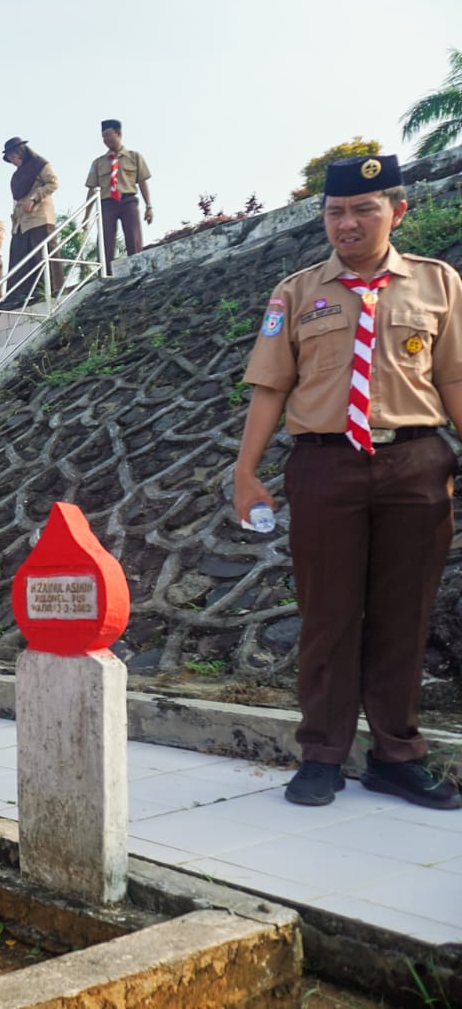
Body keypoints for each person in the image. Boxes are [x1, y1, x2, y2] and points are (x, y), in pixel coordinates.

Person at [233, 155, 462, 812]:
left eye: (364, 208)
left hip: (416, 462)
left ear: (398, 210)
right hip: (325, 466)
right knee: (328, 615)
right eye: (336, 211)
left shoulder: (437, 282)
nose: (348, 222)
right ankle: (322, 754)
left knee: (403, 616)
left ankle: (397, 755)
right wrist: (246, 471)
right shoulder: (298, 292)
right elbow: (270, 385)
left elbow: (453, 380)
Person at [86, 119, 153, 275]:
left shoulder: (134, 157)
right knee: (105, 240)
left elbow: (143, 183)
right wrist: (86, 216)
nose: (106, 139)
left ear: (119, 134)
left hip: (128, 201)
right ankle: (105, 273)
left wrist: (149, 206)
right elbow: (91, 189)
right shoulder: (98, 163)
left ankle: (137, 269)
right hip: (107, 204)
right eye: (103, 136)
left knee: (133, 236)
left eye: (109, 135)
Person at [0, 137, 61, 309]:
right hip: (21, 222)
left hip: (39, 216)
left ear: (21, 152)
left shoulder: (40, 165)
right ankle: (19, 295)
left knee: (43, 254)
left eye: (14, 156)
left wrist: (35, 198)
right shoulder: (16, 176)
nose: (13, 160)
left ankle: (50, 289)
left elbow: (53, 183)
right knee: (20, 258)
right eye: (10, 158)